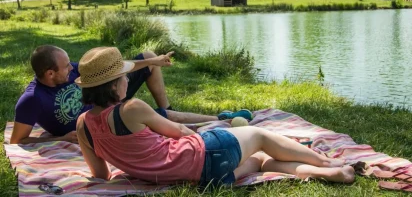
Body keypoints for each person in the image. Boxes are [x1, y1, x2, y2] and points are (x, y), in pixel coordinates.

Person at [76, 47, 355, 186]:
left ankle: (323, 173)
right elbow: (182, 133)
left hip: (203, 179)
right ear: (114, 84)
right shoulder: (131, 108)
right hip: (207, 155)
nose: (128, 78)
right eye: (125, 75)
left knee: (259, 162)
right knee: (259, 136)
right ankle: (327, 161)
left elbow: (101, 174)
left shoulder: (83, 125)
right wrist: (213, 127)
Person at [10, 45, 252, 144]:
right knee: (165, 122)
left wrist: (154, 61)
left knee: (147, 57)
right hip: (98, 123)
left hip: (106, 103)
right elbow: (18, 141)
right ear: (50, 74)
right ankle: (224, 123)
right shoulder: (31, 100)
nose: (72, 68)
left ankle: (221, 119)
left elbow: (107, 72)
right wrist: (60, 139)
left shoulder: (71, 70)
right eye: (65, 67)